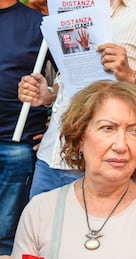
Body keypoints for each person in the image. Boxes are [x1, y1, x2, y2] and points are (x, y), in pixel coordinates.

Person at [10, 80, 136, 259]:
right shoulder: (41, 211)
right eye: (108, 128)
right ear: (80, 136)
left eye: (135, 131)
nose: (121, 145)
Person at [18, 0, 136, 199]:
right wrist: (47, 95)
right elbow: (70, 83)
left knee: (87, 230)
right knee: (38, 227)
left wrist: (130, 75)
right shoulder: (70, 9)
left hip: (99, 164)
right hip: (50, 156)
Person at [0, 0, 51, 254]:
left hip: (17, 143)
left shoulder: (38, 23)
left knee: (6, 230)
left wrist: (55, 128)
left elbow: (69, 84)